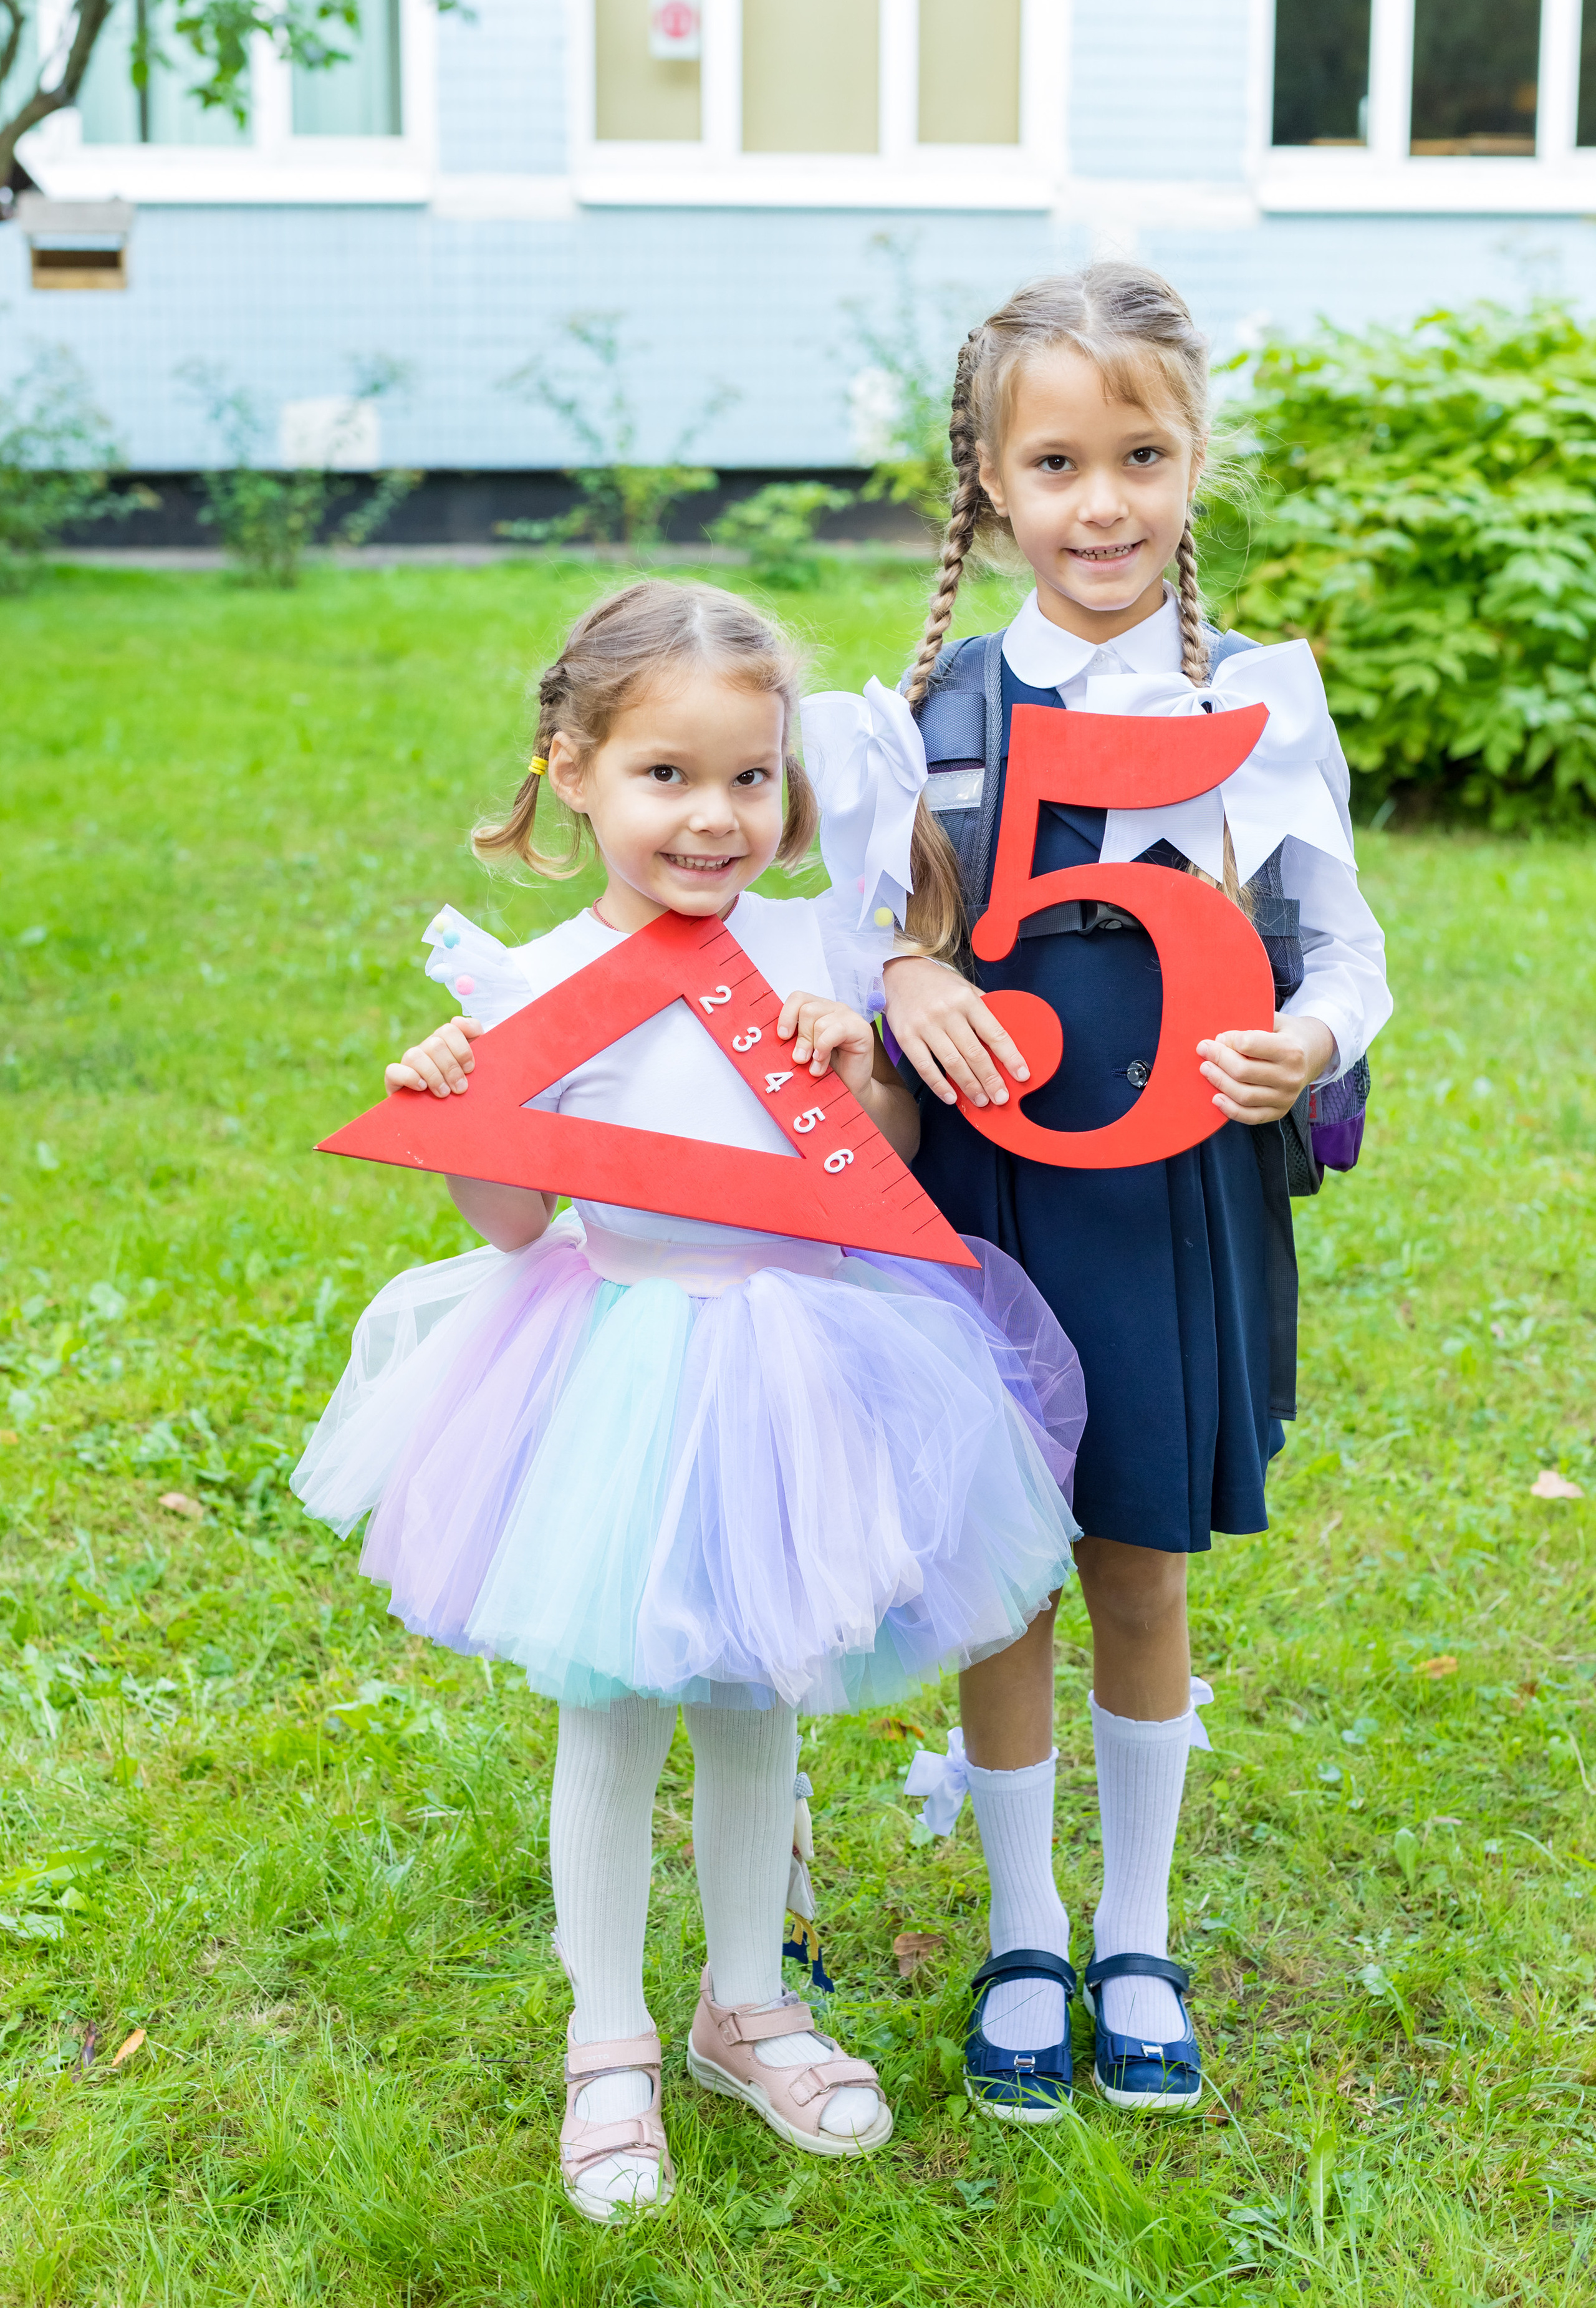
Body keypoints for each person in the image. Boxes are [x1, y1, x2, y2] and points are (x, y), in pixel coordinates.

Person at [292, 578, 1086, 2220]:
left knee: (755, 1705)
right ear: (572, 768)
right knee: (613, 1714)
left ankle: (751, 2005)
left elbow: (887, 1178)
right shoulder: (530, 982)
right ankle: (608, 2036)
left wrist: (853, 1065)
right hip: (614, 1367)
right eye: (667, 775)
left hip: (795, 1368)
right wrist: (472, 1119)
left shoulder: (809, 946)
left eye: (748, 776)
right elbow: (516, 1227)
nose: (714, 817)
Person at [882, 265, 1392, 2117]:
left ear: (1194, 464)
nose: (1104, 501)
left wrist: (1309, 1046)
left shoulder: (1252, 701)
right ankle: (1026, 1929)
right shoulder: (925, 711)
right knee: (1007, 1570)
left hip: (1172, 1189)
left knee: (1141, 1568)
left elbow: (1347, 953)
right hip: (993, 1206)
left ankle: (1138, 1925)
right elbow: (871, 935)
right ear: (996, 485)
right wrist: (913, 975)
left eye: (1144, 455)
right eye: (1060, 461)